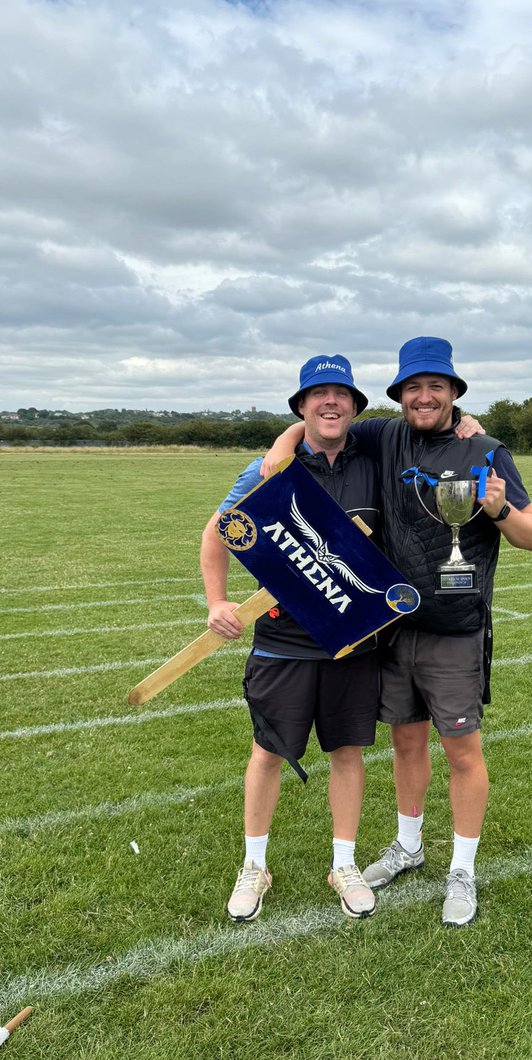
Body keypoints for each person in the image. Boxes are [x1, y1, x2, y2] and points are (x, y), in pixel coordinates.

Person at [264, 337, 532, 926]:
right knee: (405, 742)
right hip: (391, 627)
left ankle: (462, 869)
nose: (423, 396)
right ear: (397, 395)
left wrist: (497, 508)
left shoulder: (486, 449)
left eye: (435, 386)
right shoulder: (385, 436)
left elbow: (531, 536)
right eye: (412, 387)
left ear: (454, 392)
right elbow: (321, 425)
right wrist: (282, 442)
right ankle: (409, 845)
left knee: (462, 750)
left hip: (455, 630)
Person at [201, 355, 381, 922]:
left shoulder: (373, 460)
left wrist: (473, 426)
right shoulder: (265, 468)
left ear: (354, 406)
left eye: (341, 394)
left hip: (350, 638)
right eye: (317, 394)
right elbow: (218, 533)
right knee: (269, 752)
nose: (331, 403)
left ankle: (344, 864)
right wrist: (217, 602)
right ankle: (255, 865)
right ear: (301, 407)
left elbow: (435, 427)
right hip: (281, 640)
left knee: (347, 751)